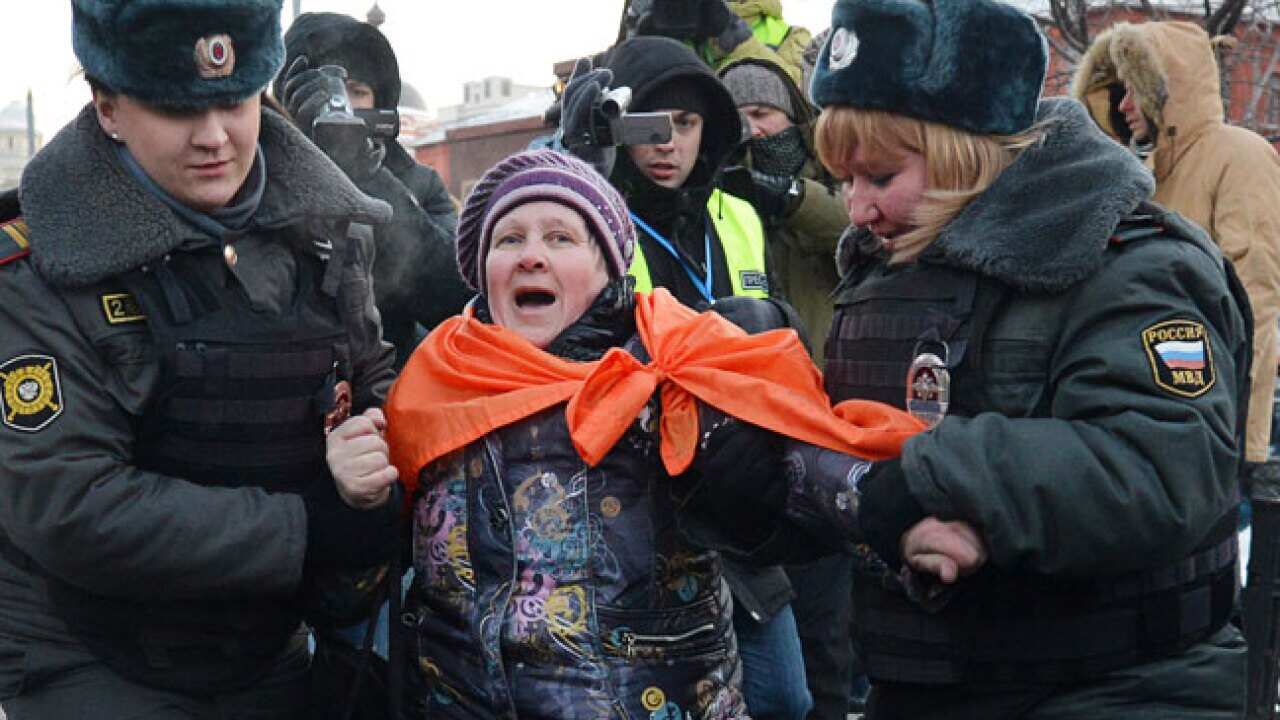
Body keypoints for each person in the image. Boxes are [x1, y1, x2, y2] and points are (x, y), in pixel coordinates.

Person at [796, 0, 1250, 716]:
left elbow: (1166, 465)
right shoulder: (895, 264)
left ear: (966, 153)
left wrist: (934, 478)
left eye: (880, 177)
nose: (856, 209)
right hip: (938, 679)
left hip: (1122, 688)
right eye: (843, 181)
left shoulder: (1130, 265)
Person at [381, 148, 923, 719]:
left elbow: (814, 472)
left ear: (607, 267)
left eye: (561, 238)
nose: (531, 256)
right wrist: (357, 502)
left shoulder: (671, 370)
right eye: (508, 240)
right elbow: (362, 584)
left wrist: (917, 507)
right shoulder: (432, 384)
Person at [0, 1, 400, 717]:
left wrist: (381, 463)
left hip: (269, 646)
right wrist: (305, 525)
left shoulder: (328, 233)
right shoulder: (38, 267)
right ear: (109, 107)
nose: (214, 137)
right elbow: (69, 505)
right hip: (92, 657)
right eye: (177, 109)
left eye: (233, 101)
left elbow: (371, 378)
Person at [560, 36, 815, 719]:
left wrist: (771, 320)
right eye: (650, 123)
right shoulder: (588, 220)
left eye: (689, 123)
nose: (669, 142)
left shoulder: (738, 214)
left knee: (785, 698)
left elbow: (788, 342)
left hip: (740, 493)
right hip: (638, 502)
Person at [1072, 20, 1280, 491]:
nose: (1123, 105)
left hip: (1213, 425)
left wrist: (1243, 441)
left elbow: (1255, 302)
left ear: (1168, 90)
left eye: (1132, 90)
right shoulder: (1143, 173)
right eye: (1116, 92)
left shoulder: (1238, 154)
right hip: (1151, 413)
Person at [719, 55, 855, 720]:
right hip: (752, 435)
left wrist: (787, 198)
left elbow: (848, 236)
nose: (749, 128)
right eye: (735, 115)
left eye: (762, 113)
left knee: (825, 636)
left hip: (822, 418)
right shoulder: (720, 201)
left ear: (792, 117)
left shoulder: (824, 179)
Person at [275, 12, 470, 367]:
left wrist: (364, 176)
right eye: (327, 89)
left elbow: (453, 298)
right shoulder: (257, 174)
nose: (342, 104)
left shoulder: (419, 183)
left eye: (357, 91)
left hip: (388, 388)